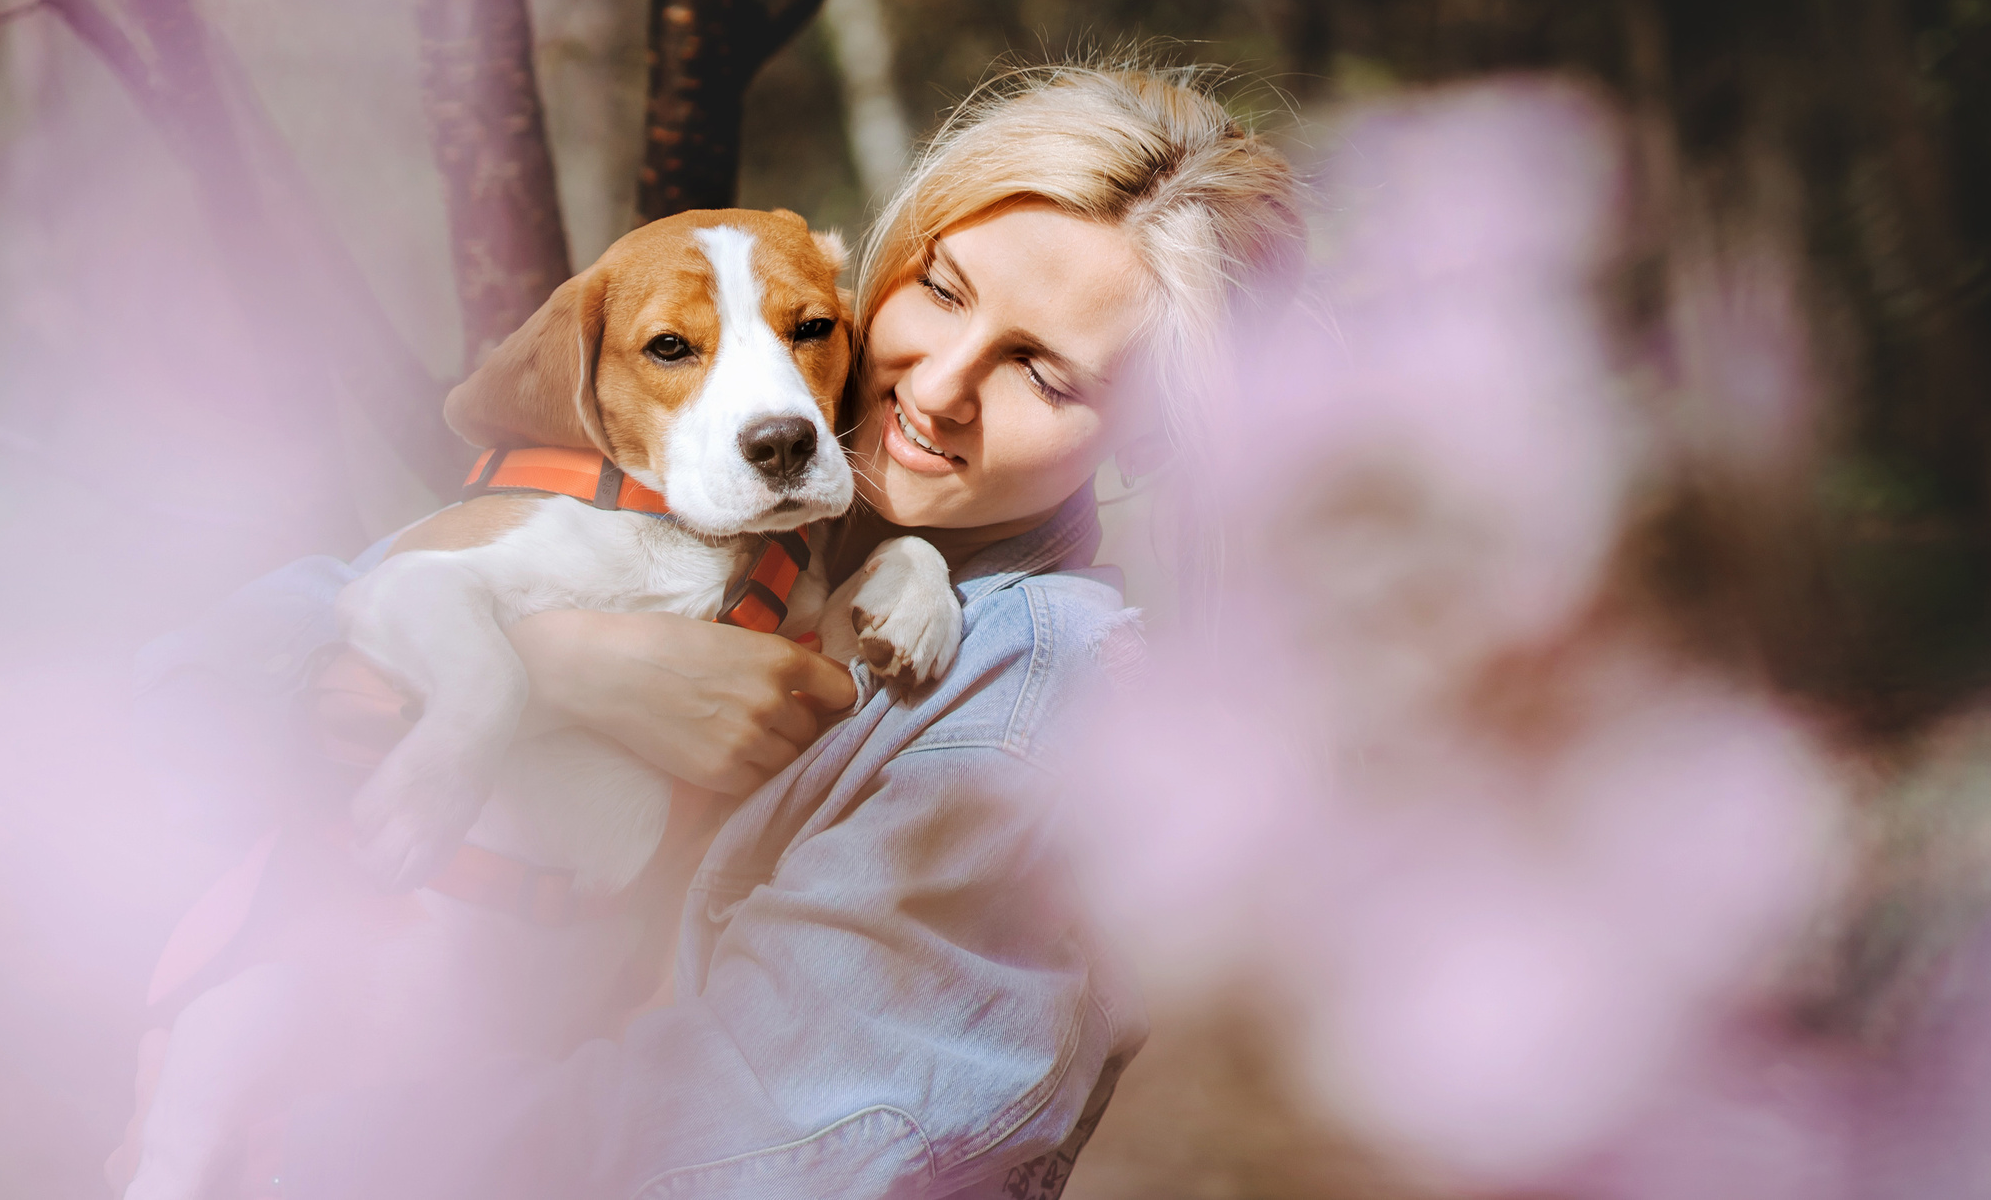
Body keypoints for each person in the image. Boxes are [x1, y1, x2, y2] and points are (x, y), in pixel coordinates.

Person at [134, 62, 1303, 1199]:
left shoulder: (1031, 672)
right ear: (875, 278)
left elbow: (768, 1144)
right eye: (940, 290)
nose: (938, 388)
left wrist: (292, 1151)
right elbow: (195, 680)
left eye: (1044, 373)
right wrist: (563, 669)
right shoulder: (750, 516)